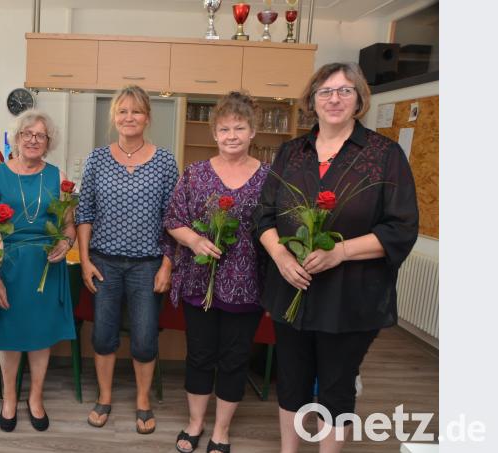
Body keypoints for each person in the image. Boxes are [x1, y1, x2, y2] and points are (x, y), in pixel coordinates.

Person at [254, 62, 419, 452]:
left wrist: (340, 252)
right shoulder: (291, 152)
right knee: (291, 380)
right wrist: (279, 255)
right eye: (325, 91)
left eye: (345, 90)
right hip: (291, 288)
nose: (334, 98)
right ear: (312, 100)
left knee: (336, 386)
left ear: (360, 98)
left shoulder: (384, 154)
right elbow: (264, 214)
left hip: (352, 297)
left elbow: (400, 228)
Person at [164, 92, 269, 453]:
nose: (232, 135)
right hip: (200, 280)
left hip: (247, 285)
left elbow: (275, 229)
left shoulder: (269, 177)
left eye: (239, 128)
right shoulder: (195, 174)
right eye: (224, 129)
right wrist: (194, 241)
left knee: (235, 357)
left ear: (253, 131)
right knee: (200, 354)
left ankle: (221, 430)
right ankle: (195, 424)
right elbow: (173, 220)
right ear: (214, 133)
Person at [75, 85, 179, 435]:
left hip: (147, 265)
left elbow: (173, 218)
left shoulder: (164, 161)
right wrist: (86, 260)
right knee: (103, 336)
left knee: (145, 339)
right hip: (103, 263)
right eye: (122, 111)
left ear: (147, 117)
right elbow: (84, 212)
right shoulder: (97, 159)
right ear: (114, 117)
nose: (129, 117)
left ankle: (143, 401)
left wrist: (167, 265)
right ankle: (104, 397)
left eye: (136, 111)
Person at [0, 109, 76, 432]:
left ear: (48, 143)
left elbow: (68, 226)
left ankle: (35, 398)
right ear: (16, 138)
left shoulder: (56, 175)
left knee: (40, 337)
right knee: (9, 336)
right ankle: (9, 399)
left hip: (45, 267)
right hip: (9, 267)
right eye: (27, 134)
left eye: (40, 136)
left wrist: (65, 243)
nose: (33, 140)